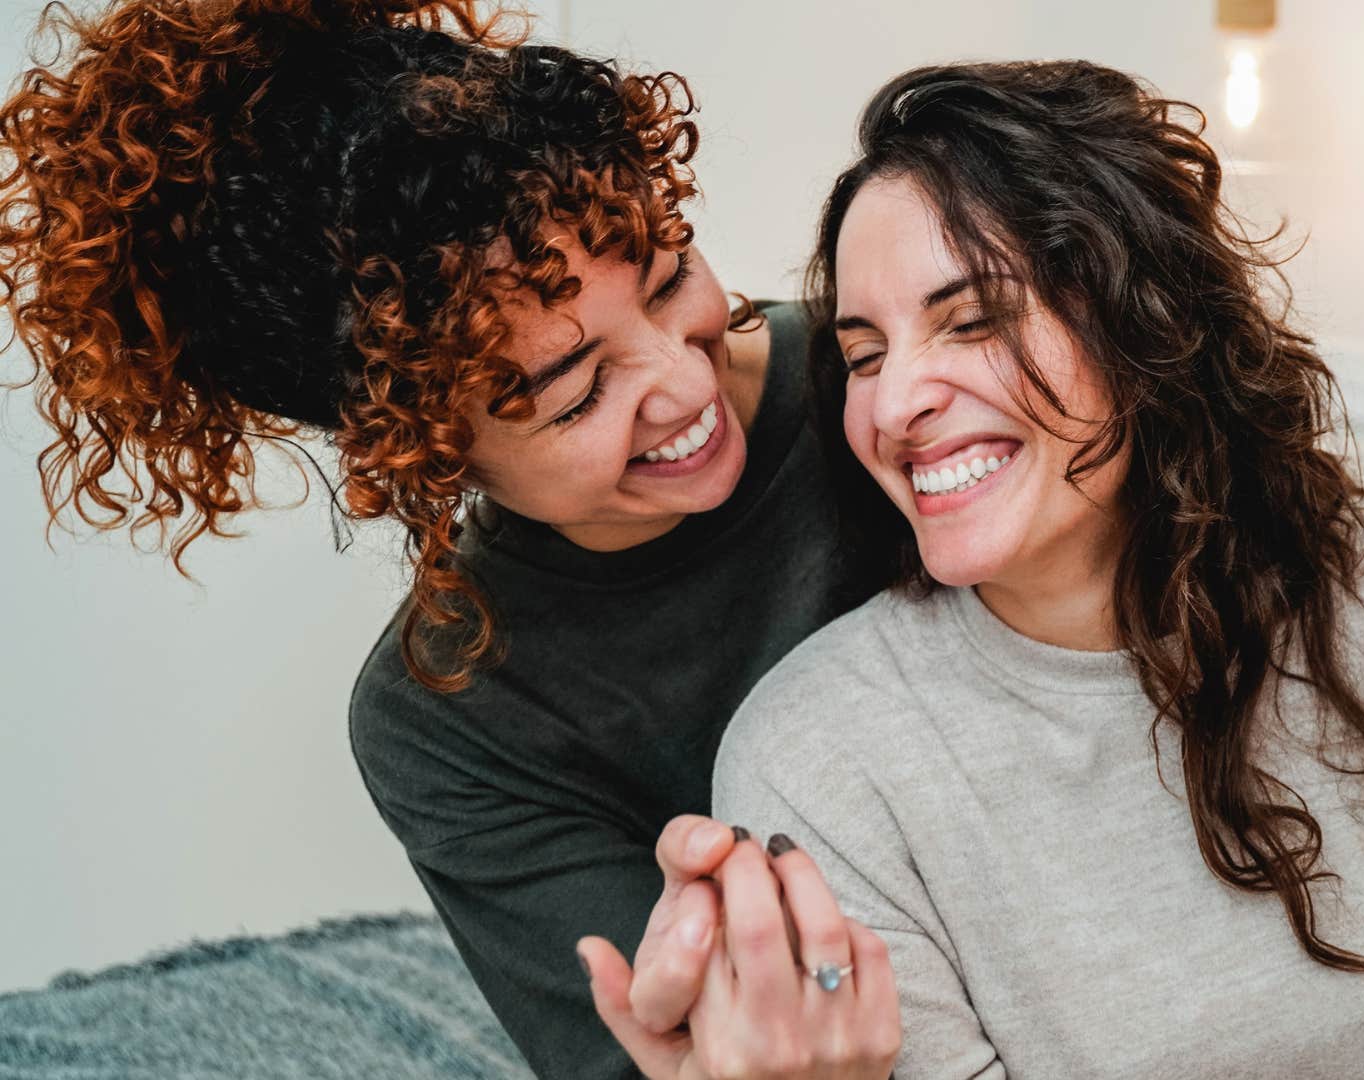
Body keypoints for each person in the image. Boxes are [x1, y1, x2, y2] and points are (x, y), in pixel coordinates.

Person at [711, 60, 1364, 1078]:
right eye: (865, 352)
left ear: (1142, 321)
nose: (893, 404)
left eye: (973, 320)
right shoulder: (820, 769)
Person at [0, 1, 895, 1076]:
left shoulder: (891, 380)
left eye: (668, 280)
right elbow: (638, 1055)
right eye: (576, 394)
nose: (685, 380)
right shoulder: (448, 717)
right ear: (421, 453)